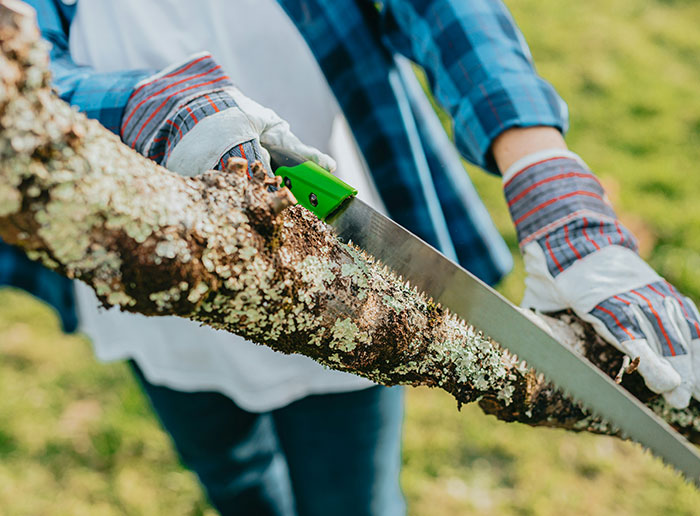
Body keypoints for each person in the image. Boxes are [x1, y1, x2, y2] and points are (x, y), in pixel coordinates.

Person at [2, 0, 699, 514]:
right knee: (234, 481)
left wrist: (550, 182)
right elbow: (22, 70)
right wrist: (139, 105)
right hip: (152, 297)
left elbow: (446, 14)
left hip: (342, 292)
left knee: (352, 503)